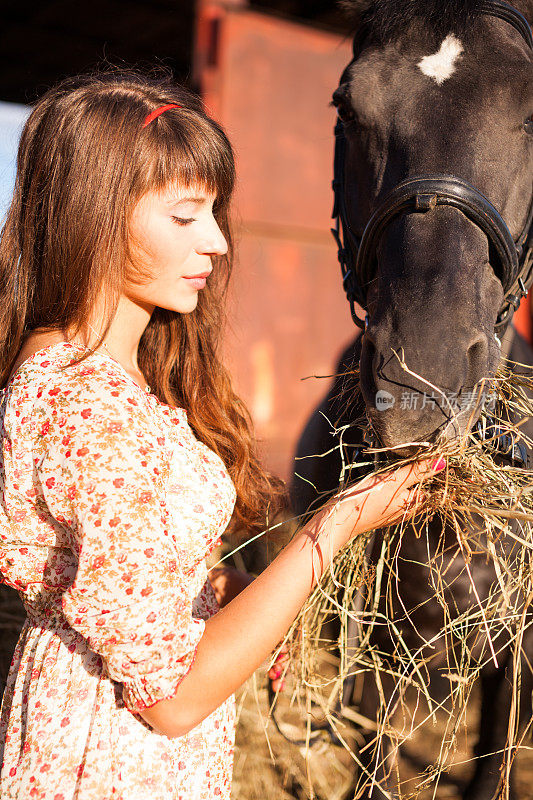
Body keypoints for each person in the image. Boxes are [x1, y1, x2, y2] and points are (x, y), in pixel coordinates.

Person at [0, 70, 445, 800]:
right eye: (183, 217)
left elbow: (131, 575)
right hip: (110, 764)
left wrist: (235, 595)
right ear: (94, 215)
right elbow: (170, 697)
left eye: (214, 212)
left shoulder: (109, 381)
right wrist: (337, 524)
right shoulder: (84, 406)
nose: (214, 241)